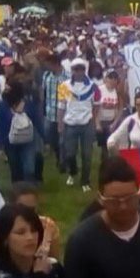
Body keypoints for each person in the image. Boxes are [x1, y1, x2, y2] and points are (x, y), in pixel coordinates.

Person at [58, 58, 99, 191]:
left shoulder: (93, 86)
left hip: (87, 124)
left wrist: (94, 121)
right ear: (72, 71)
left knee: (87, 154)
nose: (79, 71)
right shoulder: (64, 86)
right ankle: (72, 172)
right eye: (76, 69)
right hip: (70, 123)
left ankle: (85, 181)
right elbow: (61, 106)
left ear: (84, 70)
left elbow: (97, 105)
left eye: (81, 68)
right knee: (70, 153)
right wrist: (60, 124)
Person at [96, 69, 122, 163]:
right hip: (101, 121)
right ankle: (104, 165)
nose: (113, 80)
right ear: (106, 78)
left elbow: (118, 109)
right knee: (103, 147)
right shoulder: (99, 90)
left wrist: (114, 123)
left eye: (115, 78)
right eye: (110, 77)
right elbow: (96, 108)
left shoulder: (117, 92)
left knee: (111, 145)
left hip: (112, 122)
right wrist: (97, 123)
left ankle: (111, 164)